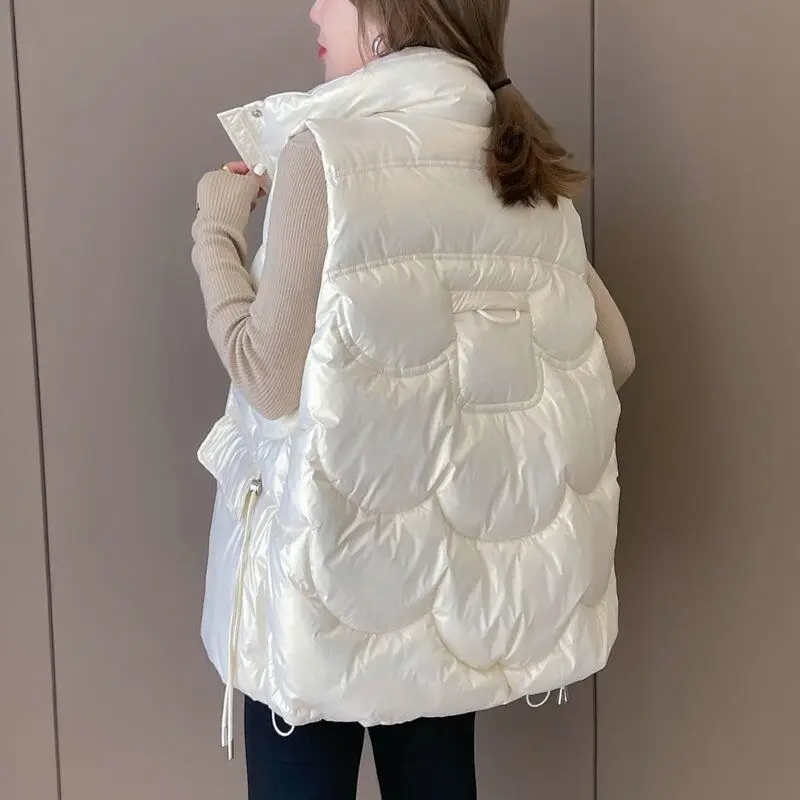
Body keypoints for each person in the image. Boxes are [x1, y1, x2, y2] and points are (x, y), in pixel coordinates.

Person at [191, 1, 635, 798]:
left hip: (318, 589)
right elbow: (617, 357)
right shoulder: (519, 164)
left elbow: (266, 374)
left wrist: (215, 232)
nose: (315, 9)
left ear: (389, 17)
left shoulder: (323, 155)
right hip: (442, 599)